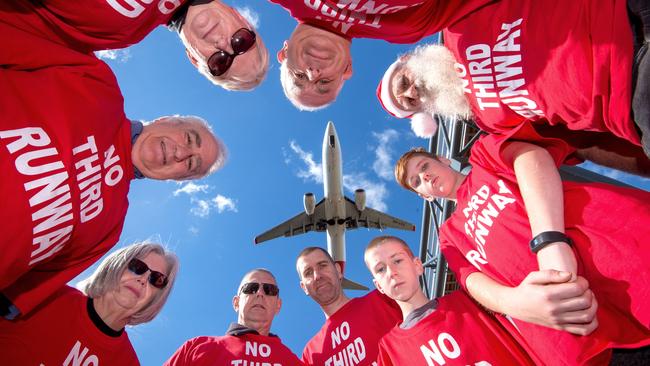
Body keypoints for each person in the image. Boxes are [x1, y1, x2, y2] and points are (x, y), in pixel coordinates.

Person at [0, 39, 225, 319]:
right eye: (189, 138)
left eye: (191, 164)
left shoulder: (109, 228)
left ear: (177, 179)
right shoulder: (95, 82)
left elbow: (13, 300)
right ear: (167, 119)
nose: (182, 152)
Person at [393, 131, 650, 364]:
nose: (424, 176)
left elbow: (530, 155)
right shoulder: (449, 234)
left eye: (424, 166)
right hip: (574, 329)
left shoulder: (483, 157)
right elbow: (472, 282)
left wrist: (548, 241)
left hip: (618, 254)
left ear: (444, 159)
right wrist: (517, 303)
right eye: (416, 181)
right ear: (424, 196)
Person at [376, 43, 650, 177]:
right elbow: (578, 144)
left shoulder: (460, 26)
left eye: (404, 82)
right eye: (410, 102)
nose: (412, 91)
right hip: (629, 108)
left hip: (624, 37)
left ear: (405, 60)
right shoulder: (489, 121)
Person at [1, 0, 269, 90]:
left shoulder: (117, 30)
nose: (223, 43)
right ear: (241, 18)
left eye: (220, 61)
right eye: (240, 41)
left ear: (193, 58)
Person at [272, 0, 492, 110]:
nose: (312, 74)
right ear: (346, 69)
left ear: (284, 52)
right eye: (325, 82)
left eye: (299, 76)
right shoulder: (407, 28)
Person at [364, 235, 536, 365]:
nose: (391, 272)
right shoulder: (390, 352)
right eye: (380, 269)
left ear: (417, 265)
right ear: (379, 286)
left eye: (397, 260)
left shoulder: (471, 300)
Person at [0, 241, 179, 365]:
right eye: (138, 268)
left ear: (156, 297)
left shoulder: (126, 363)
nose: (143, 280)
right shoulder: (43, 294)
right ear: (116, 264)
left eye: (156, 279)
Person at [164, 268, 302, 366]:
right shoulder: (195, 348)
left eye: (269, 290)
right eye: (250, 288)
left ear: (278, 306)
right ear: (236, 302)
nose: (260, 293)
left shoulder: (294, 362)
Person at [296, 246, 401, 365]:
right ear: (304, 287)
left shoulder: (384, 300)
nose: (317, 276)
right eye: (308, 272)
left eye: (322, 265)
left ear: (339, 271)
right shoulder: (310, 355)